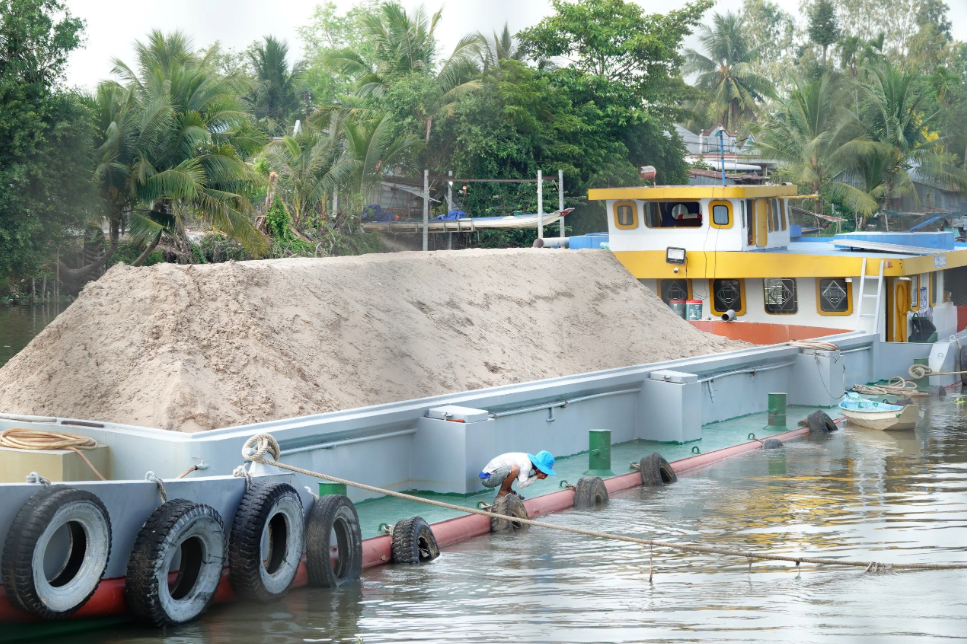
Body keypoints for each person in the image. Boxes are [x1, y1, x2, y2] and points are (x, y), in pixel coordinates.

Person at [479, 451, 556, 498]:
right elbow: (521, 484)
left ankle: (508, 490)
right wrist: (536, 476)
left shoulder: (526, 460)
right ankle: (502, 491)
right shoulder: (526, 464)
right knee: (515, 469)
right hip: (488, 479)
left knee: (515, 470)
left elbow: (523, 478)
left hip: (493, 474)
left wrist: (535, 476)